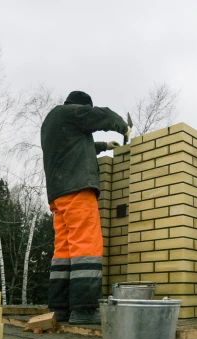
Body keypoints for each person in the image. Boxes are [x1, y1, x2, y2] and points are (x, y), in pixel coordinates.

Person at [41, 91, 130, 325]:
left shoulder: (53, 121)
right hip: (77, 190)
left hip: (59, 195)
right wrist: (123, 128)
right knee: (86, 245)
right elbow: (103, 115)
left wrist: (103, 146)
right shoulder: (72, 112)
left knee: (64, 252)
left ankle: (59, 309)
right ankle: (84, 309)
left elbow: (76, 146)